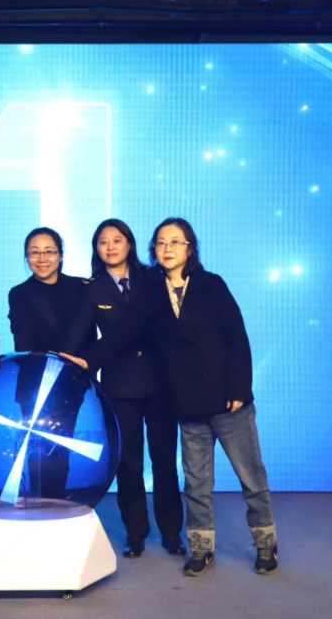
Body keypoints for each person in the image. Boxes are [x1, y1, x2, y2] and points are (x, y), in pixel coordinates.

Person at [65, 217, 277, 576]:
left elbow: (237, 338)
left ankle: (266, 545)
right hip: (188, 403)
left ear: (190, 248)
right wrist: (88, 360)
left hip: (228, 401)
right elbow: (124, 333)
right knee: (196, 483)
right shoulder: (152, 292)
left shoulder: (211, 284)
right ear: (153, 249)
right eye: (161, 242)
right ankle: (201, 549)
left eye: (175, 242)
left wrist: (239, 389)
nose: (167, 248)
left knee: (251, 478)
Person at [61, 219, 186, 559]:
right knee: (128, 464)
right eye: (103, 242)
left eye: (117, 240)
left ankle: (172, 531)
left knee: (164, 461)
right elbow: (77, 332)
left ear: (130, 244)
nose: (111, 247)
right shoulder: (91, 288)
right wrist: (65, 359)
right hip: (120, 386)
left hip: (161, 384)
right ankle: (135, 532)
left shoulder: (154, 279)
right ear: (96, 249)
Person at [6, 227, 96, 502]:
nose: (42, 258)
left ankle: (54, 506)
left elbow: (88, 336)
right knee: (36, 451)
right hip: (34, 383)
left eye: (49, 252)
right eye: (34, 253)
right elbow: (24, 343)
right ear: (26, 257)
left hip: (70, 383)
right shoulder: (19, 293)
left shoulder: (82, 288)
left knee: (59, 449)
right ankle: (38, 507)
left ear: (61, 255)